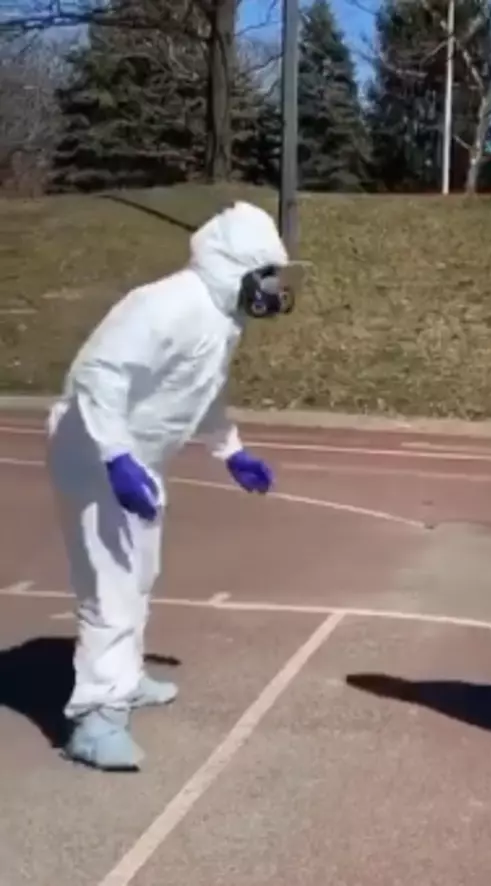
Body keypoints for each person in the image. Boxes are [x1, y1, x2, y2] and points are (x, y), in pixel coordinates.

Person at [45, 201, 295, 772]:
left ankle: (125, 678)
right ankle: (95, 717)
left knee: (139, 573)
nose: (274, 288)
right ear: (236, 267)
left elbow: (202, 391)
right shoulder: (167, 304)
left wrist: (230, 450)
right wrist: (113, 456)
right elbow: (100, 372)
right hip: (93, 454)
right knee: (109, 582)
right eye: (266, 273)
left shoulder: (220, 317)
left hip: (137, 459)